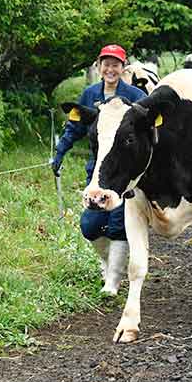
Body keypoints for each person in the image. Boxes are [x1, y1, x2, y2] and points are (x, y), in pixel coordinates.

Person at [50, 44, 147, 295]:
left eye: (116, 64)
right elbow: (74, 127)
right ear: (98, 66)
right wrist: (60, 152)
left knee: (118, 224)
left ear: (123, 67)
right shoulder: (89, 95)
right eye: (106, 63)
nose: (110, 68)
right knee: (91, 225)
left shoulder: (136, 97)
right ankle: (108, 265)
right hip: (96, 172)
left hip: (124, 177)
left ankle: (112, 283)